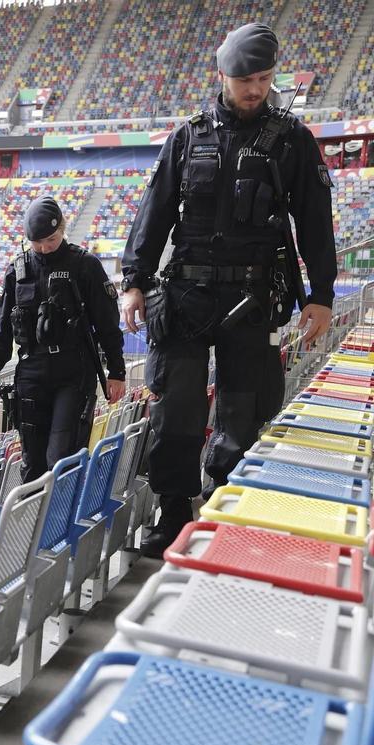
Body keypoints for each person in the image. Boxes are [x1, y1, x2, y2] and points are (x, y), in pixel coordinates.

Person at [119, 23, 337, 557]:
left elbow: (314, 222)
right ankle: (173, 515)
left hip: (253, 300)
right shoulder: (188, 137)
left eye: (264, 78)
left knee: (242, 415)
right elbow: (154, 213)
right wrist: (133, 282)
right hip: (187, 300)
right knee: (176, 414)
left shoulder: (293, 141)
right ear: (222, 76)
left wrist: (322, 294)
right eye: (246, 79)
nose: (256, 89)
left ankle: (223, 511)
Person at [0, 196, 127, 481]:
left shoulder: (85, 265)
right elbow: (1, 329)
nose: (45, 248)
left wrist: (117, 371)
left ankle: (60, 523)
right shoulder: (17, 271)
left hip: (73, 372)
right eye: (37, 242)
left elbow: (107, 323)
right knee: (32, 463)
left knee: (62, 460)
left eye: (51, 239)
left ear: (63, 228)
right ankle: (36, 525)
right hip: (31, 372)